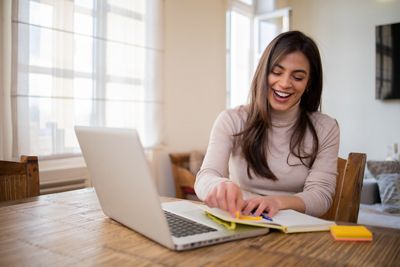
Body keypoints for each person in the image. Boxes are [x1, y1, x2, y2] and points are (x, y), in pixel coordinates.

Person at [194, 31, 340, 218]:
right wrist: (221, 185)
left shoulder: (326, 128)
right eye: (277, 72)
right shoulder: (232, 120)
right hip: (241, 219)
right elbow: (206, 176)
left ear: (309, 83)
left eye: (298, 77)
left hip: (293, 226)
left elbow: (321, 197)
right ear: (263, 72)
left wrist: (276, 202)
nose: (285, 83)